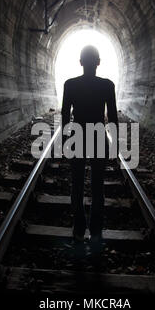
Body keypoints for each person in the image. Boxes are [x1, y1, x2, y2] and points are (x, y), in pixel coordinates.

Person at [61, 45, 118, 248]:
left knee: (77, 185)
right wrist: (116, 145)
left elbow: (65, 115)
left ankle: (78, 231)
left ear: (81, 62)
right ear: (99, 62)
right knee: (97, 187)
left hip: (77, 137)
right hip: (99, 137)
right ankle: (95, 233)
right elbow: (112, 117)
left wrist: (65, 141)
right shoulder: (107, 85)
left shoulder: (70, 84)